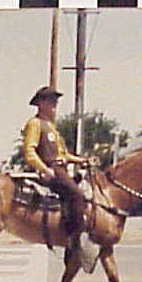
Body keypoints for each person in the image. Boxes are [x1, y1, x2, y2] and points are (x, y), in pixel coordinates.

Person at [22, 86, 97, 260]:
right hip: (51, 169)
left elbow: (63, 155)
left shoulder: (51, 127)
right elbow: (29, 151)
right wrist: (44, 169)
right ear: (40, 103)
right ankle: (74, 239)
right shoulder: (35, 124)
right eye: (51, 100)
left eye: (55, 100)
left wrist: (83, 161)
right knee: (77, 194)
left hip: (60, 168)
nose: (54, 104)